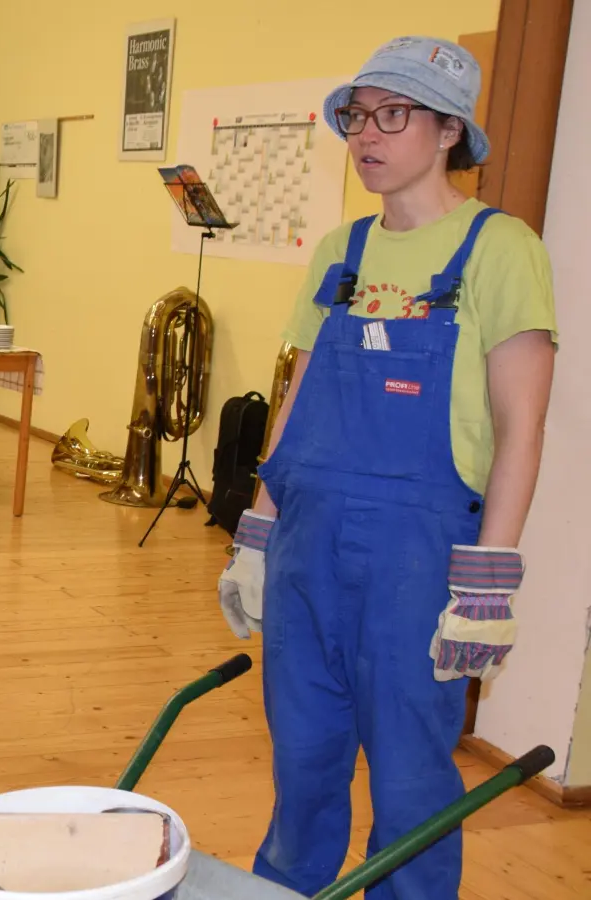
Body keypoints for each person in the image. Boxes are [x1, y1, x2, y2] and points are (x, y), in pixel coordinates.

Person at [217, 38, 556, 899]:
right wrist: (257, 529)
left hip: (419, 558)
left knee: (409, 780)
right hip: (308, 547)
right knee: (302, 762)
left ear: (450, 131)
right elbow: (295, 396)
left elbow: (523, 424)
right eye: (357, 116)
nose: (367, 134)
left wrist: (490, 579)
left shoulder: (499, 248)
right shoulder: (342, 249)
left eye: (392, 115)